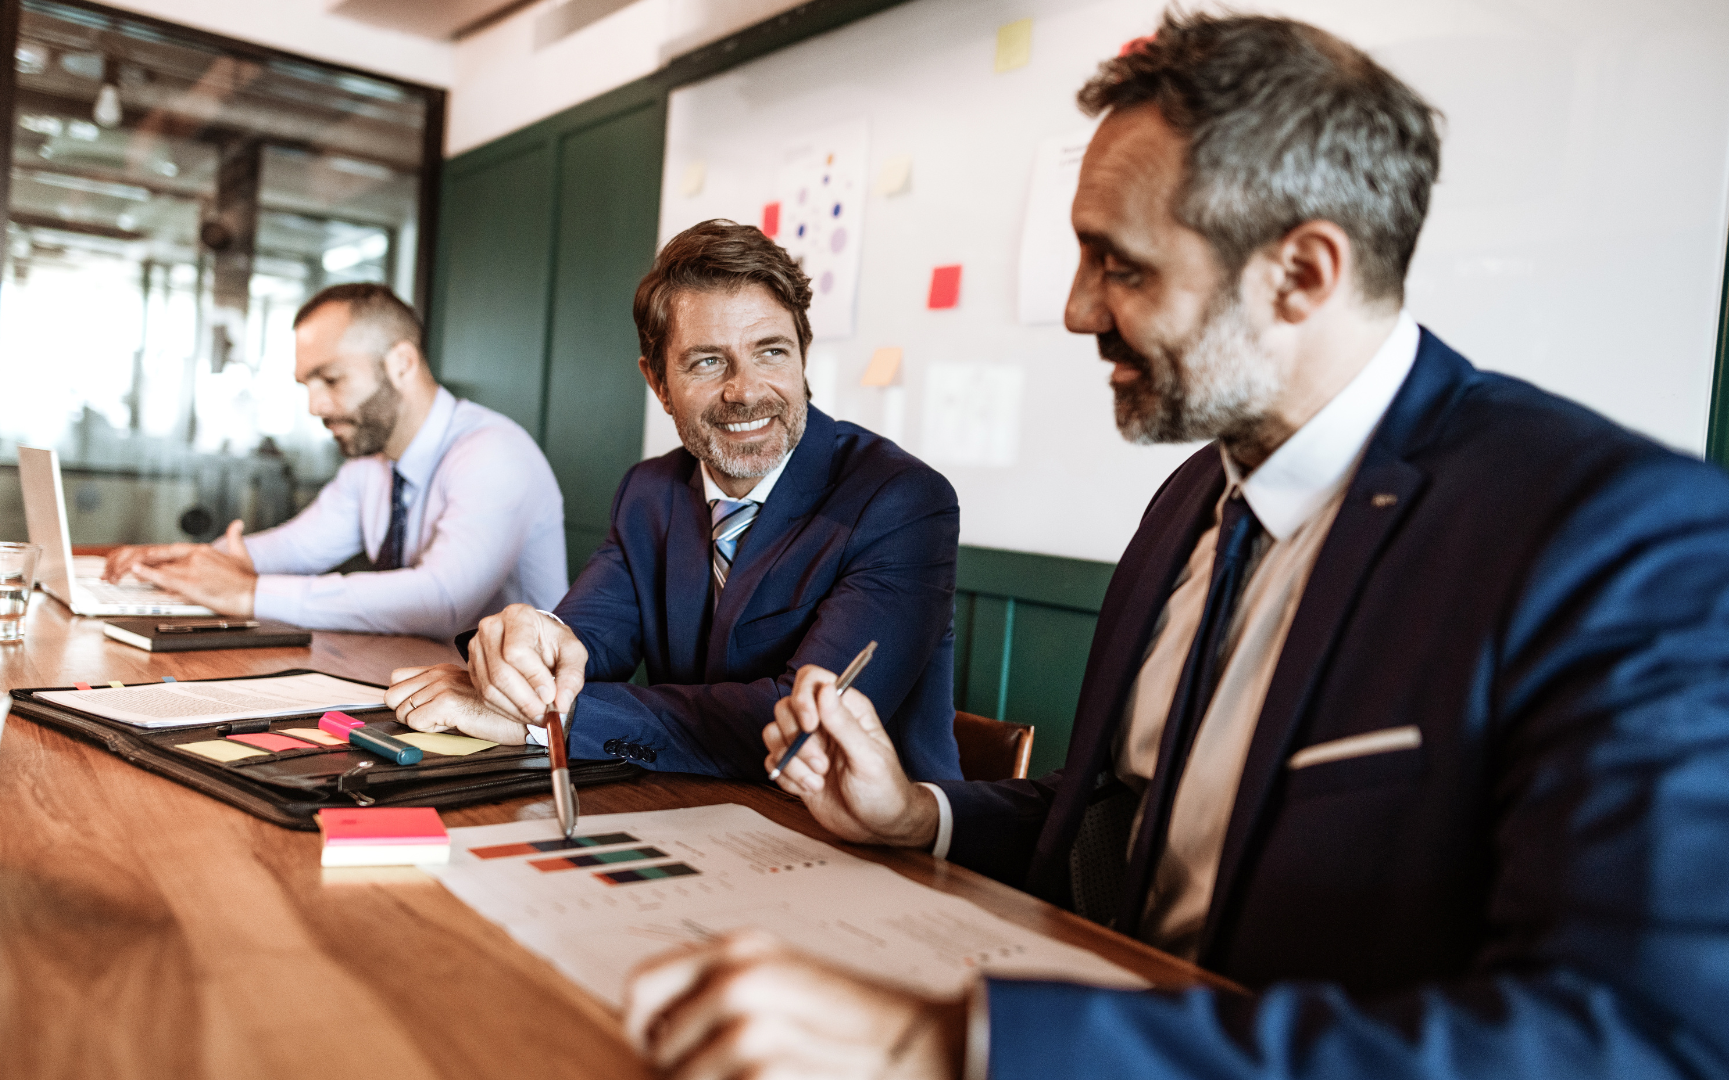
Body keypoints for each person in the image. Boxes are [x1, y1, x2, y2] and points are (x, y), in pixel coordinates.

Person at [621, 13, 1729, 1080]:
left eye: (1122, 265)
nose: (1073, 309)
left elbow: (1632, 1042)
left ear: (1301, 273)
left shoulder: (1618, 539)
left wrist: (953, 1046)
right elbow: (1123, 822)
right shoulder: (1190, 503)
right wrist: (925, 814)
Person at [386, 221, 963, 781]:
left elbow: (801, 725)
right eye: (708, 361)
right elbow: (585, 641)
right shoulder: (650, 491)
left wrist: (548, 720)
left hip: (870, 850)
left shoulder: (902, 502)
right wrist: (529, 652)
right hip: (690, 813)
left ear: (802, 356)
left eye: (771, 352)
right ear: (658, 383)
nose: (746, 390)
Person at [103, 283, 567, 640]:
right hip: (428, 686)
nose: (315, 407)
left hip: (525, 724)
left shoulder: (493, 453)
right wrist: (175, 563)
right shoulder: (372, 465)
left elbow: (441, 601)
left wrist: (250, 593)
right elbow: (295, 549)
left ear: (401, 363)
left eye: (331, 379)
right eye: (307, 384)